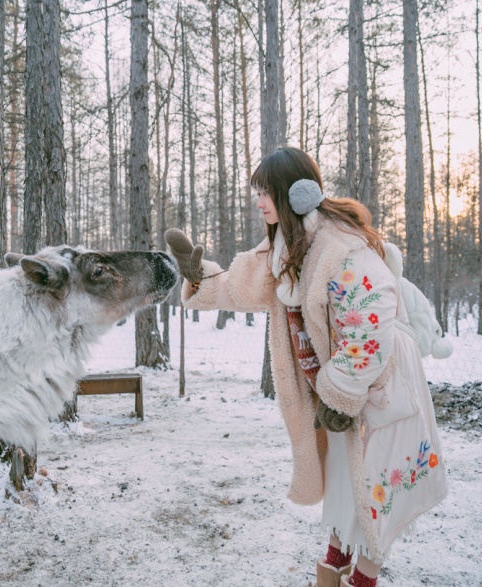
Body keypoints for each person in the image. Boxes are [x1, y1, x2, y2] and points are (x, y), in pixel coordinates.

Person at [165, 147, 448, 587]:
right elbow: (240, 290)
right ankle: (336, 554)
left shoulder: (340, 246)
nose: (258, 201)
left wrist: (342, 392)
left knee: (374, 482)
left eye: (265, 192)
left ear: (296, 193)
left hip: (377, 382)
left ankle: (364, 574)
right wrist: (198, 275)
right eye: (256, 192)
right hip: (339, 389)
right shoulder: (288, 249)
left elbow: (370, 323)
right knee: (342, 471)